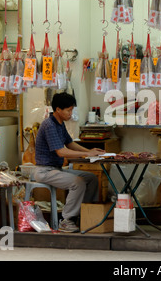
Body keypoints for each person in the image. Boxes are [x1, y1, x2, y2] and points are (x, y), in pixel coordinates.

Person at [34, 92, 105, 232]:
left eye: (72, 110)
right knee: (77, 182)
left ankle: (85, 213)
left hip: (56, 169)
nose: (70, 113)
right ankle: (67, 220)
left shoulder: (60, 124)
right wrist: (86, 154)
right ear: (58, 110)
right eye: (68, 110)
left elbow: (70, 144)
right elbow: (61, 152)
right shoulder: (49, 125)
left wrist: (90, 151)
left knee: (91, 178)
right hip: (44, 171)